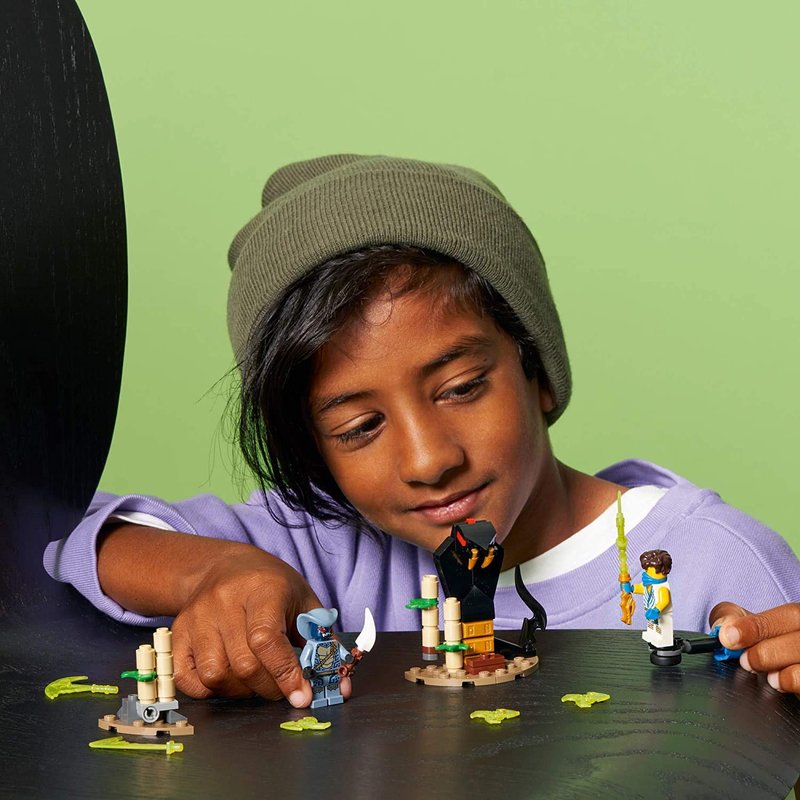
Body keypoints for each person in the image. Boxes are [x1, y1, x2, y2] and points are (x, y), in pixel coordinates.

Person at [44, 154, 800, 707]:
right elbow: (64, 529)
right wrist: (212, 573)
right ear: (314, 452)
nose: (429, 458)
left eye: (462, 388)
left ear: (537, 369)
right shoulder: (323, 548)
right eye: (359, 427)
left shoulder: (714, 564)